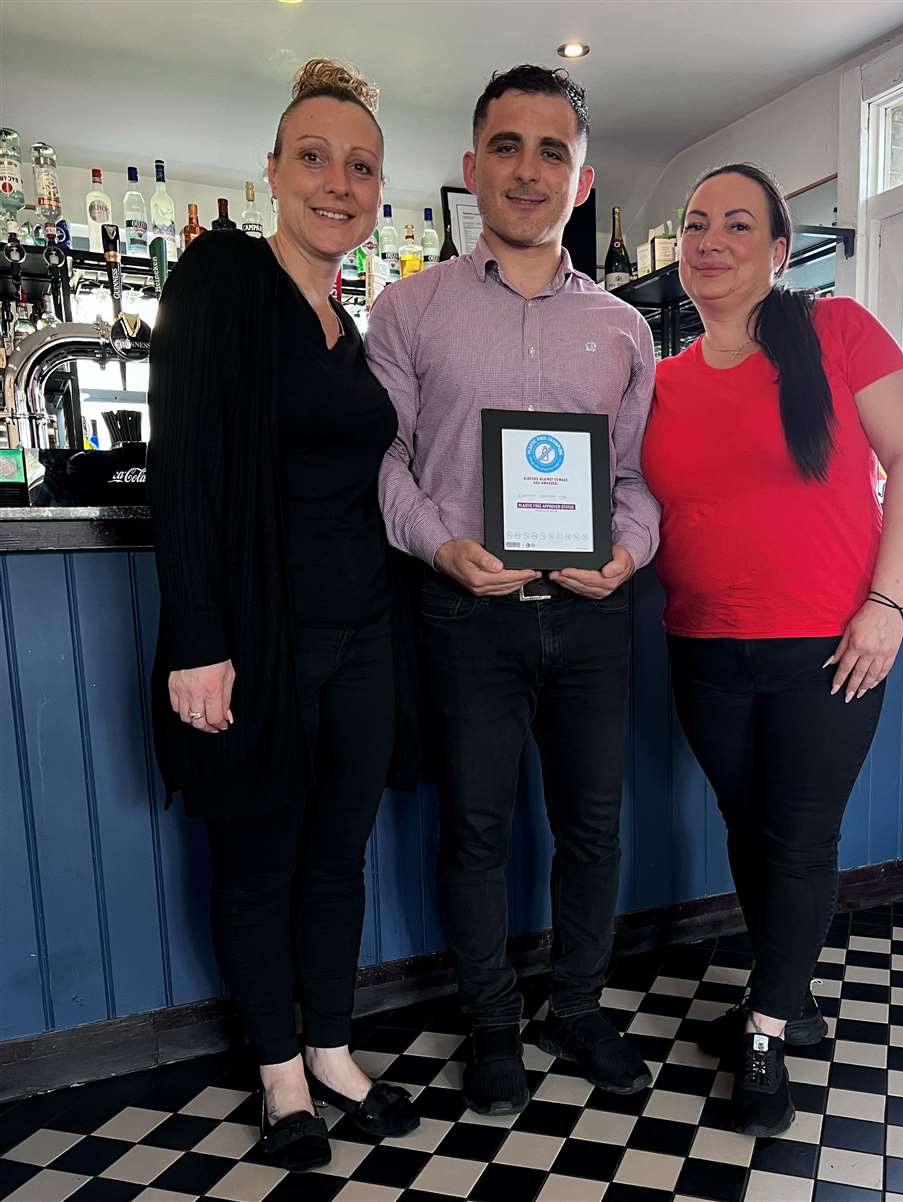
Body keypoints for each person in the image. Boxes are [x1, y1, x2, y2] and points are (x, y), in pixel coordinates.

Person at [366, 64, 660, 1116]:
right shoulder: (408, 309)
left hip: (593, 618)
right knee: (476, 832)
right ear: (470, 168)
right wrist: (442, 545)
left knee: (592, 828)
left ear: (582, 182)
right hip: (465, 613)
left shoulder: (625, 329)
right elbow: (386, 462)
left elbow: (635, 483)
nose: (528, 169)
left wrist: (625, 553)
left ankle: (576, 1005)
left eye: (552, 151)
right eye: (508, 146)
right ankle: (494, 1021)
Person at [146, 59, 420, 1171]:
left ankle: (332, 1044)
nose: (338, 182)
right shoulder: (219, 277)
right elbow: (185, 467)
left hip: (362, 638)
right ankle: (277, 1071)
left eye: (360, 166)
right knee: (259, 857)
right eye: (314, 156)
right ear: (271, 171)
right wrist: (197, 638)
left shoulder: (346, 323)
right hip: (255, 642)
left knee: (337, 856)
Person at [641, 163, 903, 1137]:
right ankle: (792, 985)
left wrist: (887, 602)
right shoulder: (659, 379)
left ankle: (765, 1027)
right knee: (746, 820)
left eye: (737, 225)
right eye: (695, 225)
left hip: (829, 648)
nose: (710, 241)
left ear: (778, 252)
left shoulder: (838, 332)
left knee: (803, 833)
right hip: (702, 648)